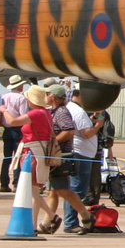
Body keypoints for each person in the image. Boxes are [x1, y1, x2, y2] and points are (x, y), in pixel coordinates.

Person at [2, 83, 58, 232]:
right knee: (33, 190)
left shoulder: (36, 113)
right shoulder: (46, 113)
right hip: (37, 152)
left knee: (33, 190)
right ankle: (49, 217)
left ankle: (39, 222)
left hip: (31, 152)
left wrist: (4, 110)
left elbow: (13, 121)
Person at [42, 86, 93, 233]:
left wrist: (53, 143)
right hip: (54, 156)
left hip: (61, 156)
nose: (46, 96)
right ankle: (48, 222)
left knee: (63, 190)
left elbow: (69, 131)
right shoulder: (55, 111)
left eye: (47, 94)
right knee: (51, 191)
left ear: (53, 97)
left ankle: (86, 216)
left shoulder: (61, 112)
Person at [61, 91, 105, 233]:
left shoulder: (72, 108)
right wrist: (98, 125)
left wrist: (92, 119)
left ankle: (71, 221)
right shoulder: (79, 112)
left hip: (80, 152)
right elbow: (86, 133)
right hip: (81, 154)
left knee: (75, 188)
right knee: (77, 189)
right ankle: (71, 222)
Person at [0, 75, 29, 192]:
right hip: (18, 128)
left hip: (7, 129)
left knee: (7, 157)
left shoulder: (4, 97)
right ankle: (17, 182)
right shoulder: (21, 98)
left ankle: (4, 183)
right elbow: (23, 115)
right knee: (18, 156)